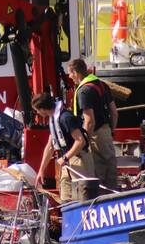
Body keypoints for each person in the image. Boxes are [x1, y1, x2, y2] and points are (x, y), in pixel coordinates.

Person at [66, 58, 118, 191]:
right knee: (110, 167)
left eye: (70, 73)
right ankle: (114, 196)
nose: (69, 77)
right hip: (106, 131)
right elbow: (114, 111)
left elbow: (89, 121)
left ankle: (101, 200)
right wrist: (111, 130)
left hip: (95, 135)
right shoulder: (101, 84)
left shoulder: (84, 91)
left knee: (98, 171)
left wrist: (84, 141)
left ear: (76, 72)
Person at [33, 92, 93, 203]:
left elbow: (80, 141)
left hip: (78, 159)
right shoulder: (53, 120)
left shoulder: (65, 118)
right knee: (65, 198)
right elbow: (50, 147)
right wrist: (41, 170)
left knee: (84, 196)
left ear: (42, 109)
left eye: (37, 110)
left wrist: (65, 158)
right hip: (66, 163)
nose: (37, 113)